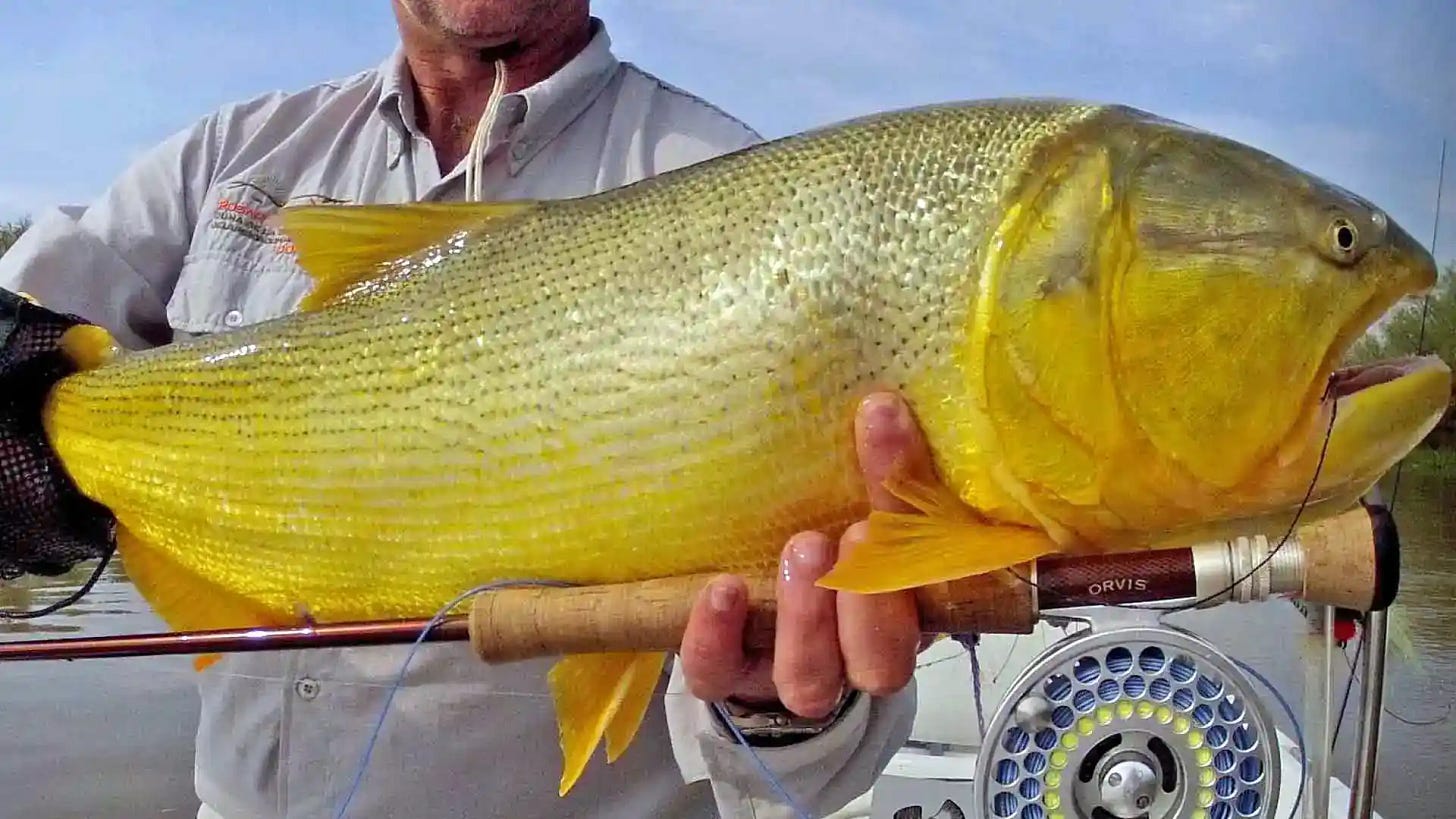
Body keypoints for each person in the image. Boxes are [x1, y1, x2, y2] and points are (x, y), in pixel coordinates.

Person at [0, 2, 926, 817]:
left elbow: (805, 773)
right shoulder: (230, 157)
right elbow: (28, 316)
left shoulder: (747, 198)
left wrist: (780, 703)